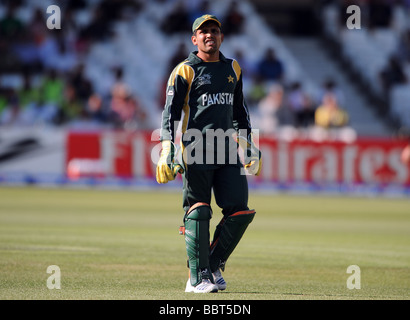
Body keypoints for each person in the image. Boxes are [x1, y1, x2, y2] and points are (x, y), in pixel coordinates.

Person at [155, 14, 262, 294]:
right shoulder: (185, 70)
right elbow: (170, 113)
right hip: (195, 149)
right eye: (203, 32)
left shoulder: (233, 68)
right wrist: (167, 148)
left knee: (240, 210)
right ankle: (197, 278)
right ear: (194, 39)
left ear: (221, 37)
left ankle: (213, 265)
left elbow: (240, 111)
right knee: (199, 209)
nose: (209, 35)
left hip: (227, 151)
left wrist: (248, 143)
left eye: (214, 31)